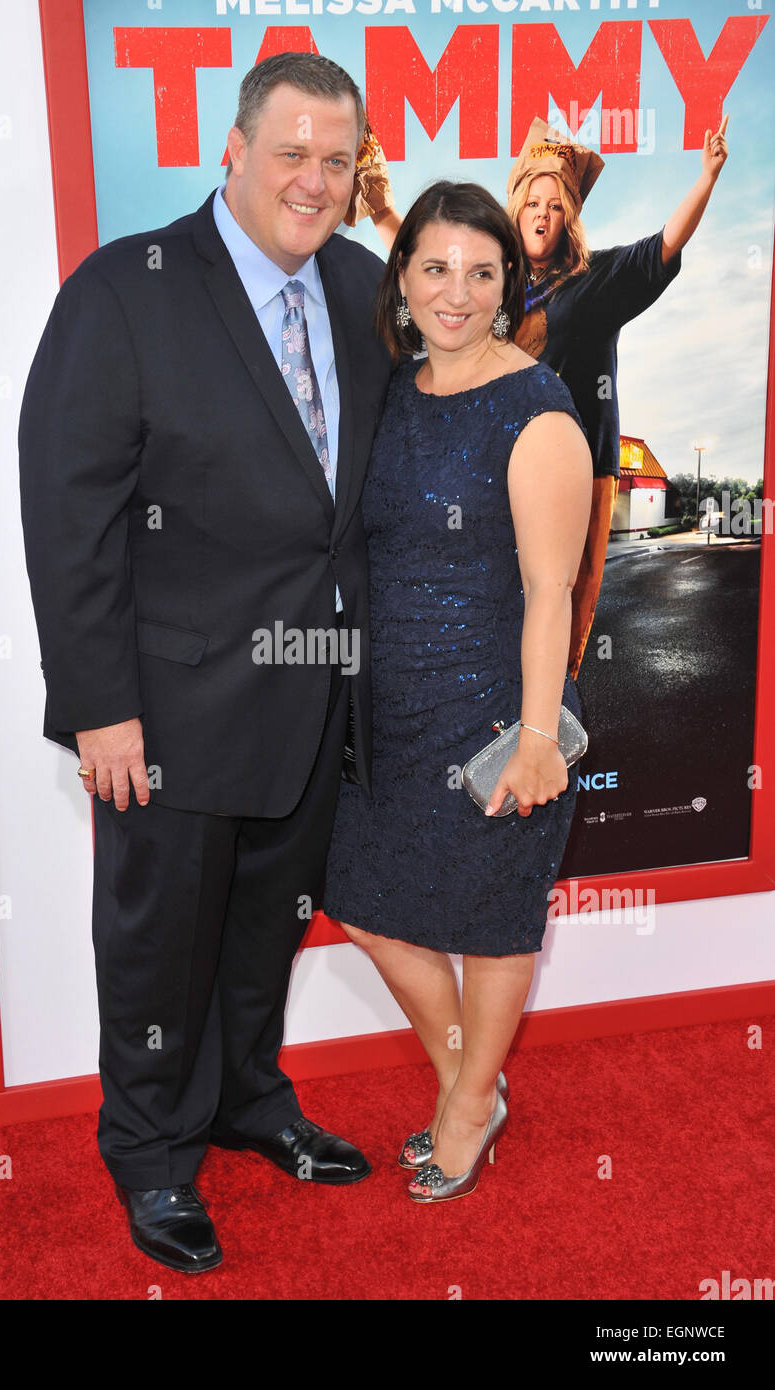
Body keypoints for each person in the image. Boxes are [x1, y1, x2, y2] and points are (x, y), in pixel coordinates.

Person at [18, 52, 392, 1273]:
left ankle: (247, 1101)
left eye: (337, 160)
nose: (314, 180)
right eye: (292, 151)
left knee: (260, 932)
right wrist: (100, 708)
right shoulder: (127, 289)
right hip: (168, 708)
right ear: (232, 151)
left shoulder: (357, 287)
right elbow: (67, 510)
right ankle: (151, 1151)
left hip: (310, 695)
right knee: (159, 941)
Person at [321, 181, 592, 1203]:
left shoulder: (537, 410)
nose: (457, 291)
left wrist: (534, 737)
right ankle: (466, 1078)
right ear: (403, 279)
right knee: (369, 906)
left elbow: (551, 591)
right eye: (435, 267)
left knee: (489, 921)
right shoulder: (392, 392)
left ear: (509, 285)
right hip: (387, 712)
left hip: (493, 709)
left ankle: (469, 1104)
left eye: (483, 272)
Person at [507, 115, 730, 675]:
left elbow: (661, 247)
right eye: (534, 202)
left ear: (569, 218)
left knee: (565, 612)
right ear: (516, 210)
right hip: (506, 467)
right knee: (503, 610)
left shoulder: (594, 279)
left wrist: (705, 179)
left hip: (581, 470)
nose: (543, 214)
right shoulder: (497, 286)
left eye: (555, 205)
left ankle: (555, 724)